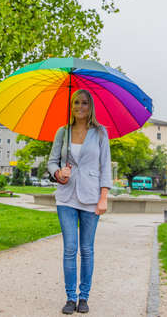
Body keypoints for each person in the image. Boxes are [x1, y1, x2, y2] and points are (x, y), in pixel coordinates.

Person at [48, 89, 112, 315]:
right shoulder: (62, 132)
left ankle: (84, 297)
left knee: (86, 249)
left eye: (84, 103)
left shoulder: (101, 133)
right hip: (66, 197)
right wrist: (58, 174)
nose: (80, 106)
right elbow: (51, 162)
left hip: (91, 198)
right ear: (71, 105)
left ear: (90, 106)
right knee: (70, 248)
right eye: (76, 102)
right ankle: (70, 297)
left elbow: (106, 167)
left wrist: (103, 197)